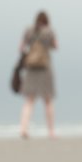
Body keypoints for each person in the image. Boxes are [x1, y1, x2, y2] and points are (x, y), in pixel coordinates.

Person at [19, 11, 58, 139]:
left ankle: (23, 129)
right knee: (48, 100)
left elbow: (21, 48)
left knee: (29, 101)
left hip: (31, 68)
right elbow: (55, 46)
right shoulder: (49, 31)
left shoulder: (29, 30)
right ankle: (51, 131)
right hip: (45, 67)